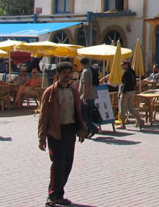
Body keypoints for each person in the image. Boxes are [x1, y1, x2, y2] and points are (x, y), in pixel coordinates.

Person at [38, 61, 86, 207]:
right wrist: (42, 137)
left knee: (68, 164)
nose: (67, 76)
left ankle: (59, 194)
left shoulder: (73, 90)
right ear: (58, 75)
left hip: (69, 130)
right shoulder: (50, 92)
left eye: (69, 73)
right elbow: (43, 115)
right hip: (55, 132)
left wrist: (81, 130)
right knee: (58, 163)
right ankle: (52, 195)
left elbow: (77, 112)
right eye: (64, 73)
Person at [79, 58, 98, 139]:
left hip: (87, 96)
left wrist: (84, 96)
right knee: (89, 115)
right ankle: (87, 131)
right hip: (92, 94)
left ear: (82, 63)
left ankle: (93, 128)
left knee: (84, 115)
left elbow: (85, 84)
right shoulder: (92, 70)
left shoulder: (85, 71)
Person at [118, 60, 141, 129]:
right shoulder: (132, 72)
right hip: (132, 91)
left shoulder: (126, 73)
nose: (121, 66)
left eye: (122, 65)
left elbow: (125, 83)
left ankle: (123, 124)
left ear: (126, 65)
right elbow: (134, 82)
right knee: (130, 107)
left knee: (122, 107)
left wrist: (123, 92)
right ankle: (139, 118)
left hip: (126, 91)